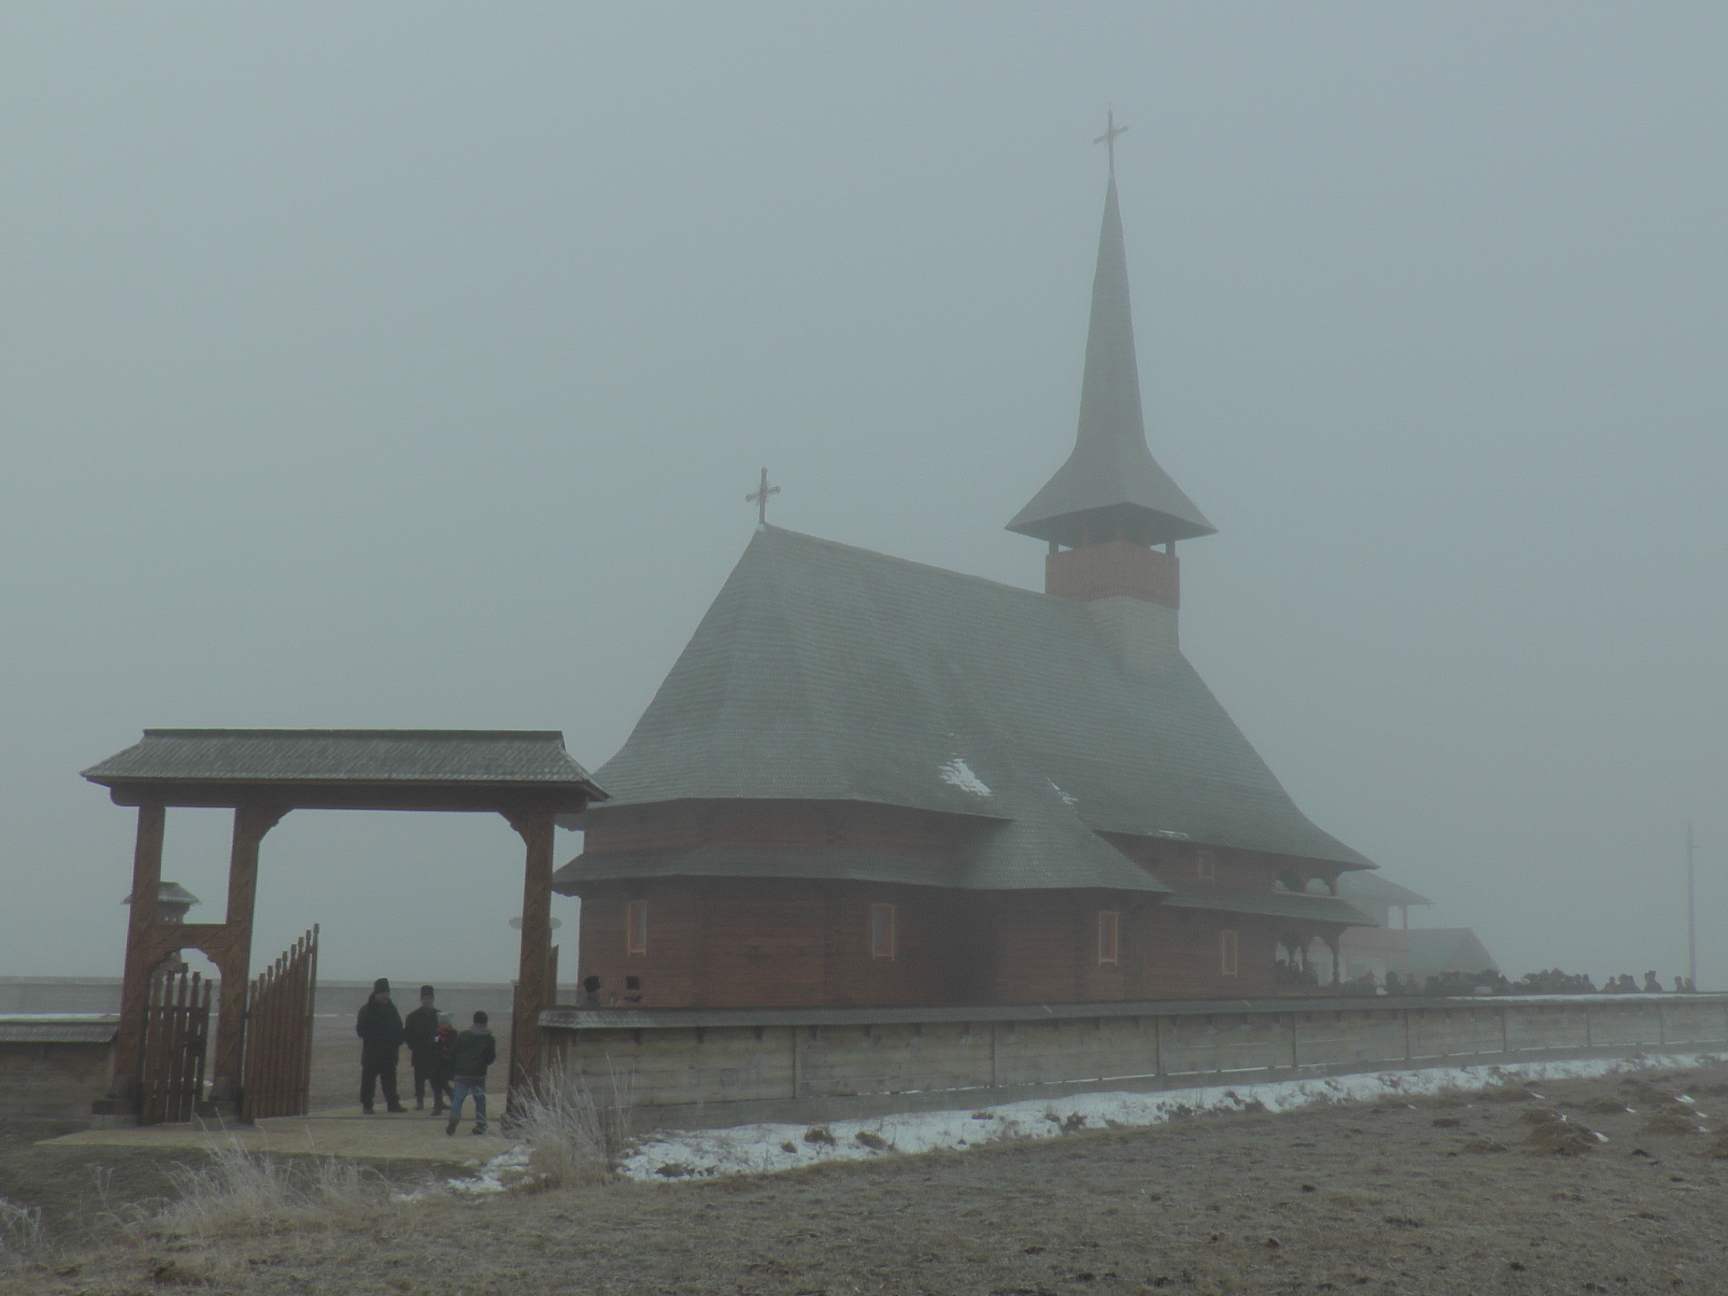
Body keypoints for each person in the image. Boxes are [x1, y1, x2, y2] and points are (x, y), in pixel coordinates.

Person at [355, 978, 406, 1114]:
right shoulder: (366, 1010)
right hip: (372, 1053)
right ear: (376, 994)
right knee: (368, 1082)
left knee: (390, 1081)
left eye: (387, 993)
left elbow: (399, 1027)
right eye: (383, 993)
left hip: (390, 1053)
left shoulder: (392, 1009)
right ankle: (367, 1105)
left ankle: (393, 1104)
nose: (385, 996)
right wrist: (376, 1038)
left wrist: (399, 1039)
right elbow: (361, 1030)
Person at [446, 1009, 497, 1136]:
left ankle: (454, 1115)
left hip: (461, 1073)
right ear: (486, 1022)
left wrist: (456, 1065)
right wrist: (482, 1064)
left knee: (458, 1098)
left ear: (473, 1021)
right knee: (479, 1100)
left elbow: (453, 1052)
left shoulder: (463, 1035)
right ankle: (480, 1124)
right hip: (478, 1074)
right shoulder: (489, 1039)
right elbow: (491, 1058)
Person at [402, 985, 441, 1112]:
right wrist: (414, 1046)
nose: (427, 1000)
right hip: (419, 1052)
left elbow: (446, 1033)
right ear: (421, 999)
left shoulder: (439, 1015)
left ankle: (438, 1101)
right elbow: (407, 1034)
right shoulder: (413, 1016)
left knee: (437, 1079)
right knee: (419, 1079)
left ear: (433, 999)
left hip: (435, 1053)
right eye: (425, 998)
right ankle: (420, 1102)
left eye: (429, 998)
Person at [431, 1011, 457, 1115]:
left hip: (447, 1063)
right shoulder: (435, 1032)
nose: (443, 1025)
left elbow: (454, 1048)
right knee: (437, 1083)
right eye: (441, 1023)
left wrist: (446, 1054)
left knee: (442, 1083)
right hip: (436, 1063)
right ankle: (438, 1106)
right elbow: (432, 1046)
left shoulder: (453, 1033)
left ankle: (452, 1103)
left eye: (445, 1023)